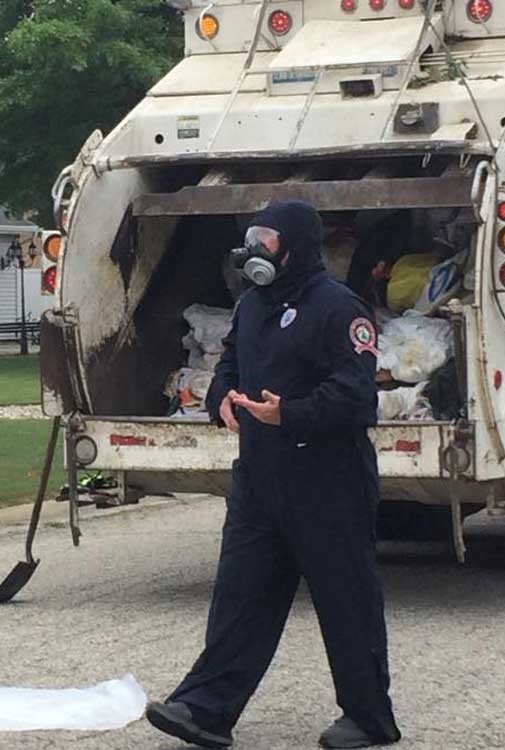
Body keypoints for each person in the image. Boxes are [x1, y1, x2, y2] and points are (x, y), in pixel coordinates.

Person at [146, 201, 401, 750]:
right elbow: (231, 365)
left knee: (346, 600)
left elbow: (357, 397)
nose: (256, 248)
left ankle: (368, 718)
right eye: (253, 237)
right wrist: (223, 399)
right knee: (240, 596)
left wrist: (291, 412)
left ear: (298, 246)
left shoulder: (339, 307)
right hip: (260, 480)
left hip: (328, 480)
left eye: (269, 238)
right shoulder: (252, 306)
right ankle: (206, 708)